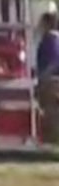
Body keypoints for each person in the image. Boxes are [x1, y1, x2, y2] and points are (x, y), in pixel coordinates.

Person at [36, 12, 59, 146]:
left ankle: (53, 141)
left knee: (51, 113)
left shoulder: (50, 40)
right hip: (52, 81)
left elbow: (54, 61)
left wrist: (44, 77)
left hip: (51, 82)